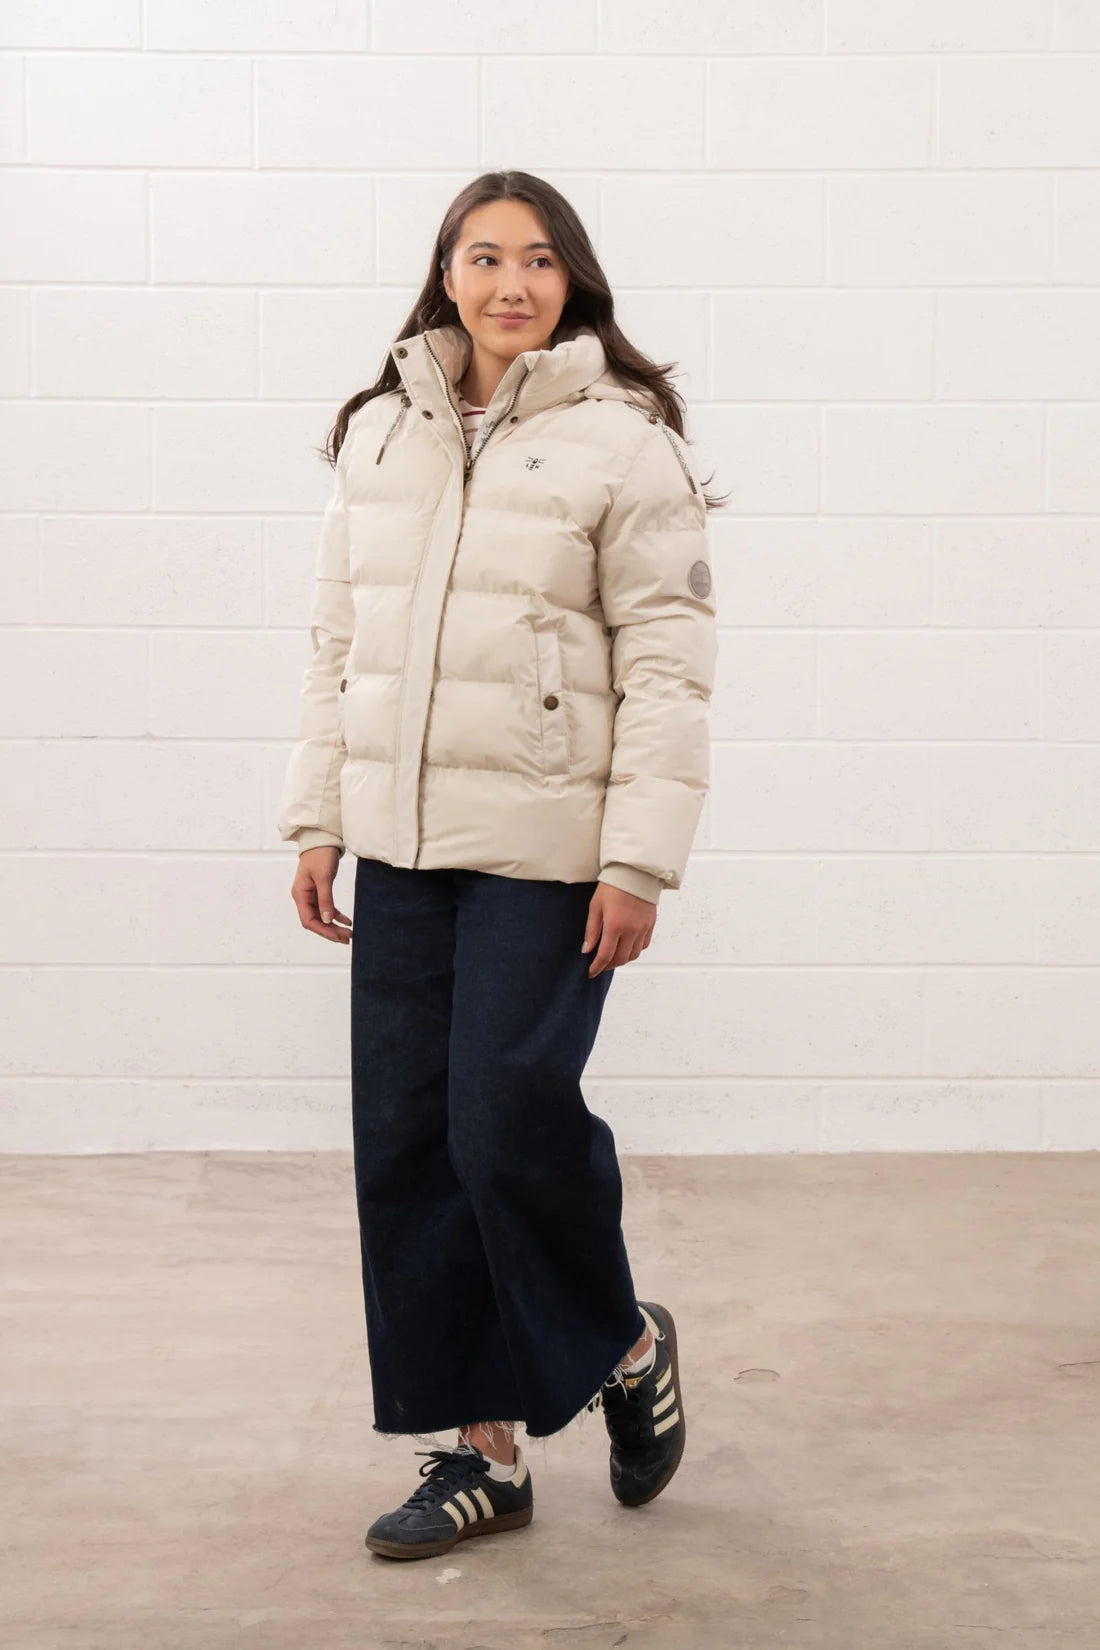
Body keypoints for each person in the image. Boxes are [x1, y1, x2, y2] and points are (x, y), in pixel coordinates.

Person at [278, 170, 722, 1562]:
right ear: (447, 274)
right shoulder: (382, 433)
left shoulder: (621, 444)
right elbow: (337, 643)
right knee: (412, 1146)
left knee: (502, 1116)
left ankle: (618, 1338)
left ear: (572, 278)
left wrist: (638, 856)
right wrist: (317, 817)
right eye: (485, 258)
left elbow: (666, 666)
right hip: (403, 840)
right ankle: (476, 1452)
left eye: (537, 259)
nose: (510, 283)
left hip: (545, 848)